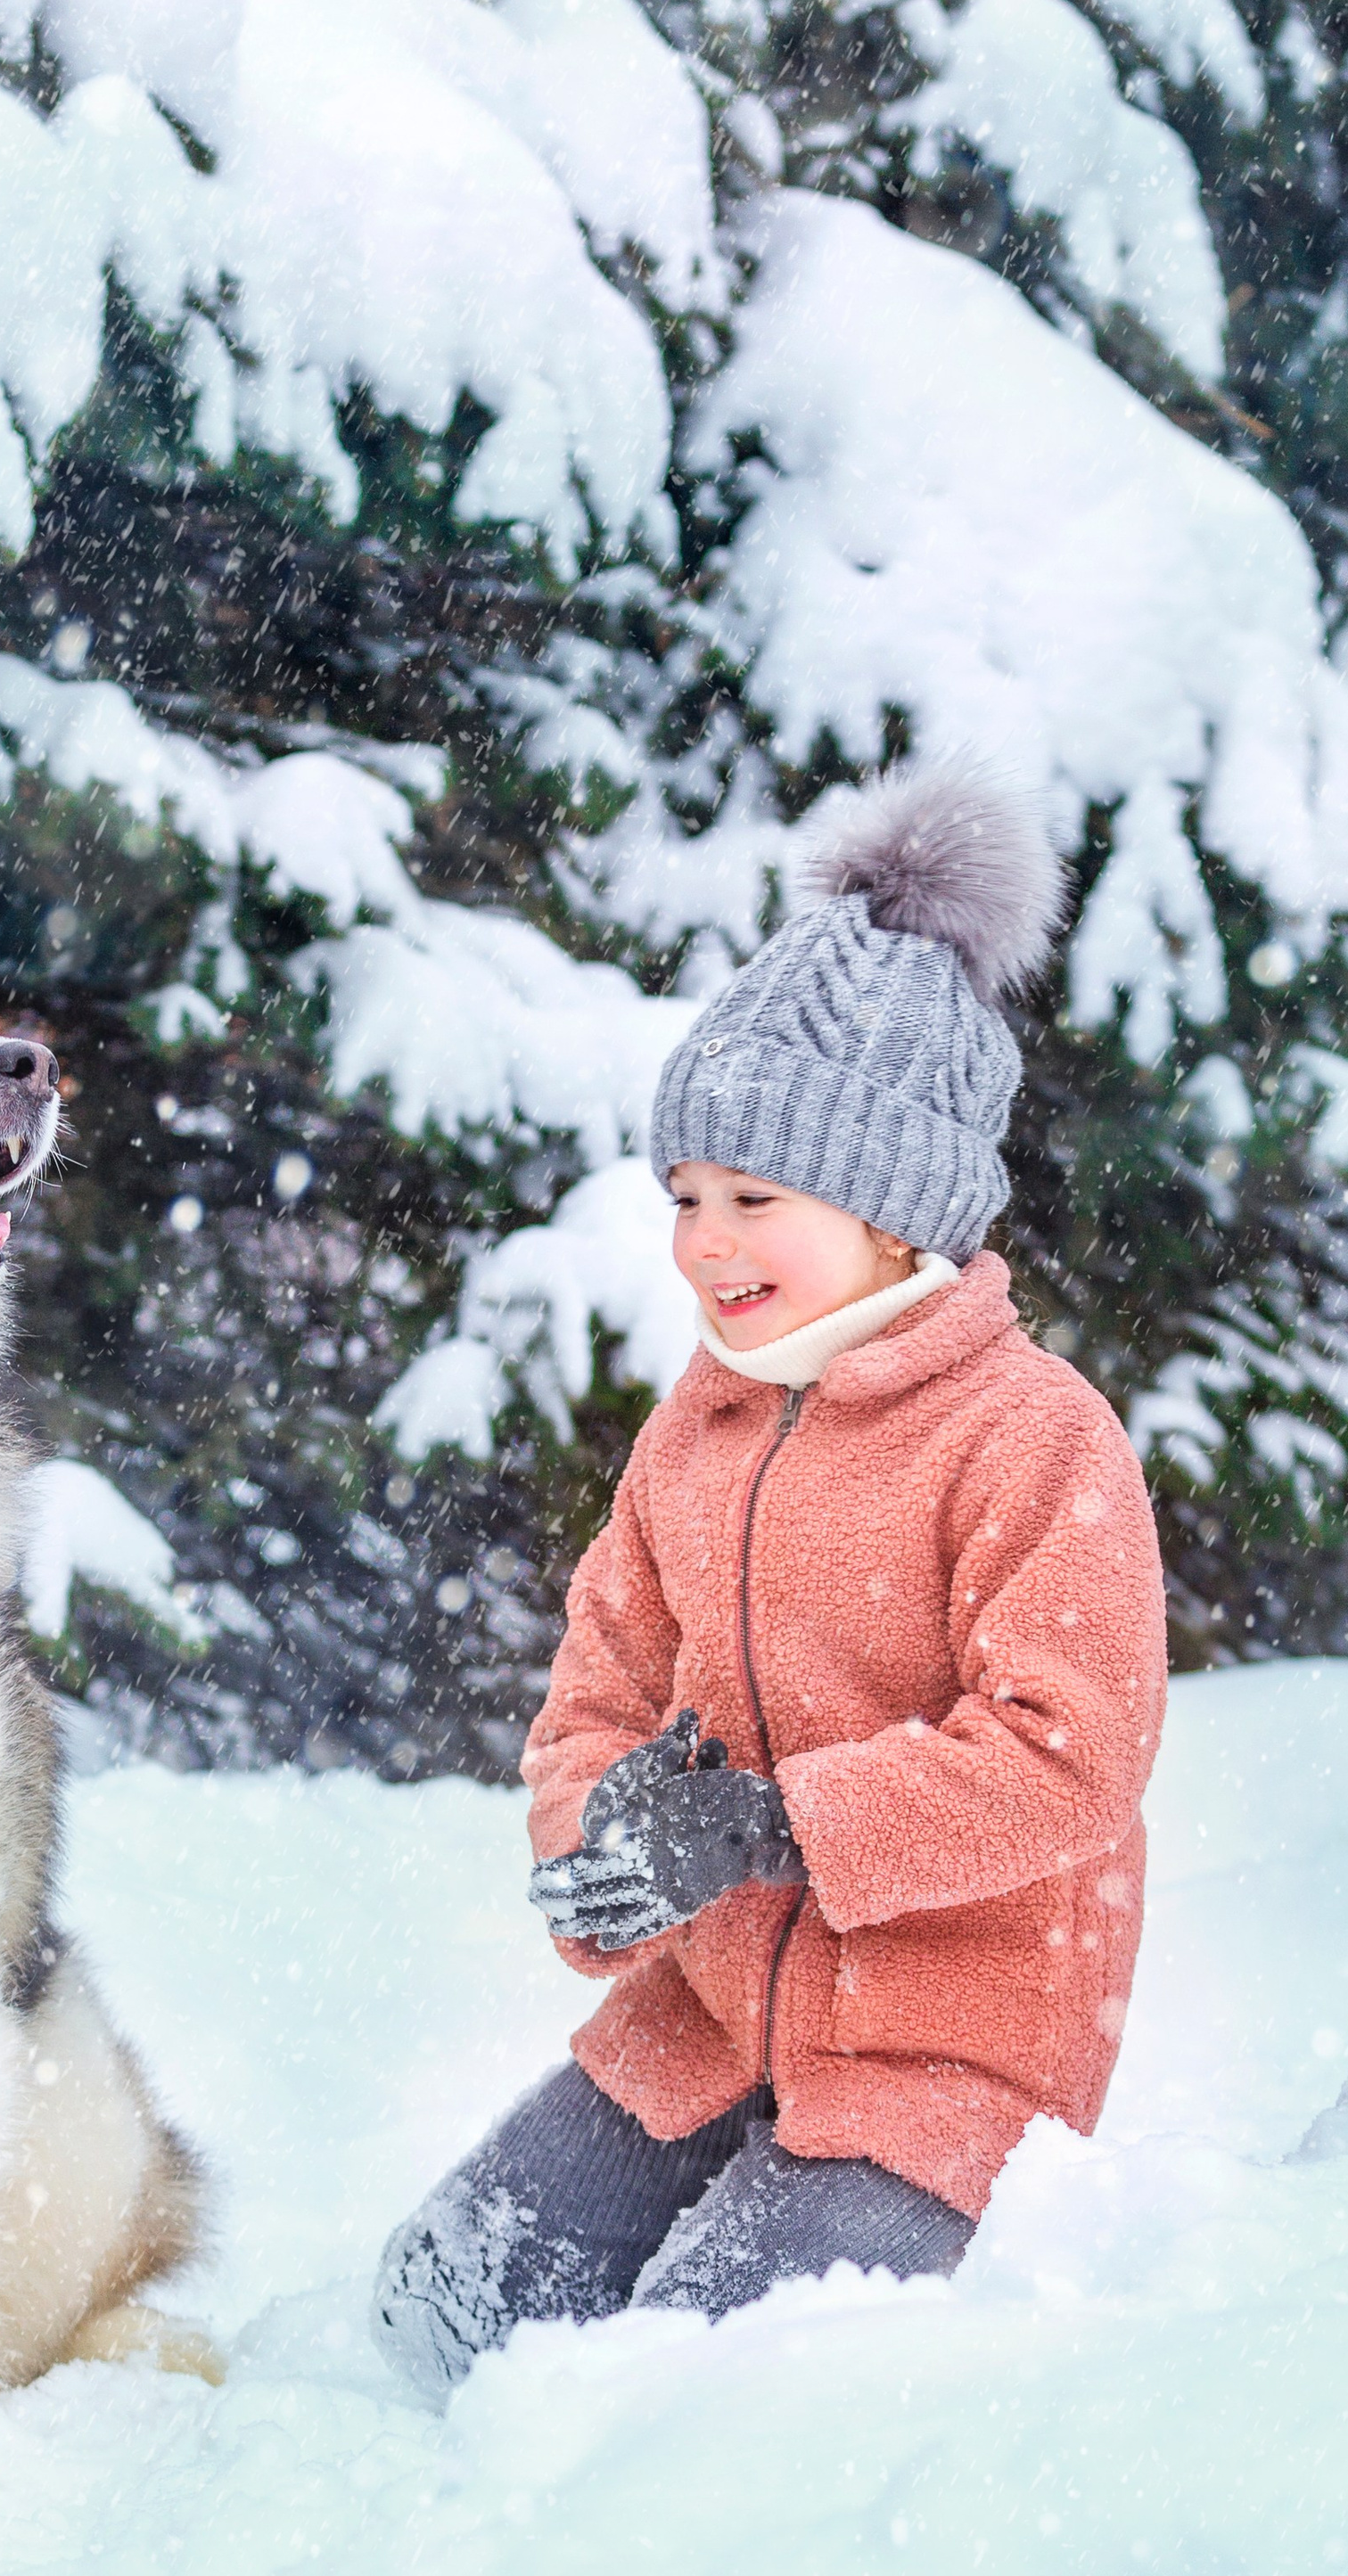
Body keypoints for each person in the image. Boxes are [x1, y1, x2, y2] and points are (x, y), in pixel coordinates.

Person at [374, 767, 1169, 2397]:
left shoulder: (1032, 1436)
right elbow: (596, 1683)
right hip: (711, 2011)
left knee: (691, 2393)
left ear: (893, 1211)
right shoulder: (704, 1426)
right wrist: (599, 1843)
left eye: (756, 1200)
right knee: (439, 2315)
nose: (701, 1241)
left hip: (935, 2035)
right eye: (685, 1196)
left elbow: (1070, 1754)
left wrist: (784, 1822)